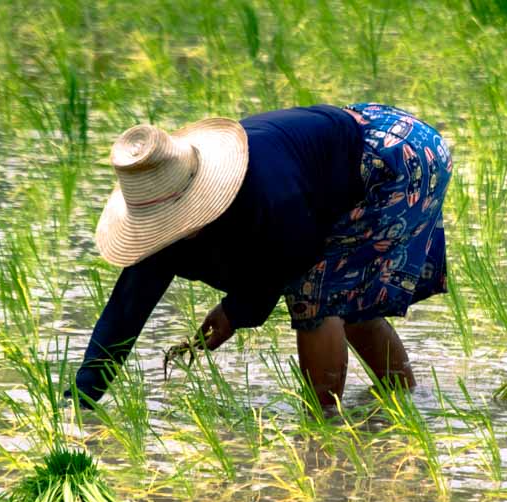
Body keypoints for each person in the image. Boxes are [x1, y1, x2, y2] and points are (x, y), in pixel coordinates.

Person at [70, 103, 453, 412]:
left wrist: (234, 312)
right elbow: (125, 310)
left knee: (317, 298)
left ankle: (324, 428)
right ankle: (403, 404)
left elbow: (294, 254)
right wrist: (80, 400)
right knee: (348, 303)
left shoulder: (262, 190)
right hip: (351, 155)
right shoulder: (163, 228)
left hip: (398, 158)